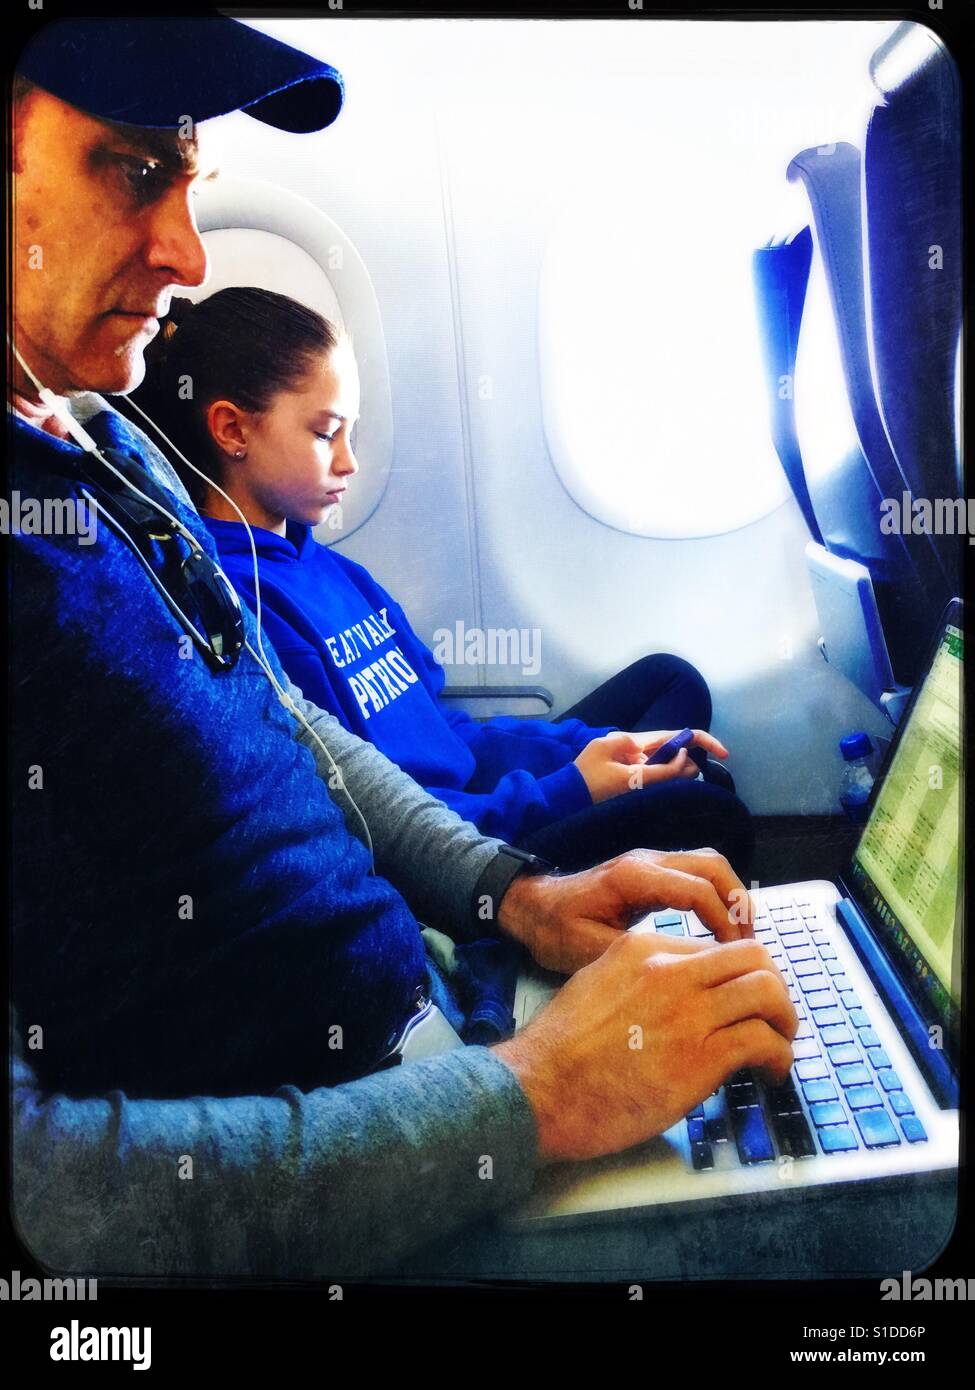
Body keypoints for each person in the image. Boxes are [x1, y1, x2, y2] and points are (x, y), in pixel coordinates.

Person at [7, 14, 795, 1279]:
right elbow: (50, 1199)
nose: (187, 252)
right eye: (135, 169)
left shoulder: (103, 441)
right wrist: (532, 1100)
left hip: (451, 1026)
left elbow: (290, 724)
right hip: (358, 1182)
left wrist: (516, 895)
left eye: (193, 182)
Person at [132, 286, 754, 875]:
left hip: (483, 802)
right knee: (707, 813)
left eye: (351, 432)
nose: (350, 461)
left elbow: (447, 733)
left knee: (671, 682)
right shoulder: (246, 605)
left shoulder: (334, 570)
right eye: (325, 434)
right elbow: (374, 821)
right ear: (233, 430)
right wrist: (569, 789)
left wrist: (598, 749)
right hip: (457, 853)